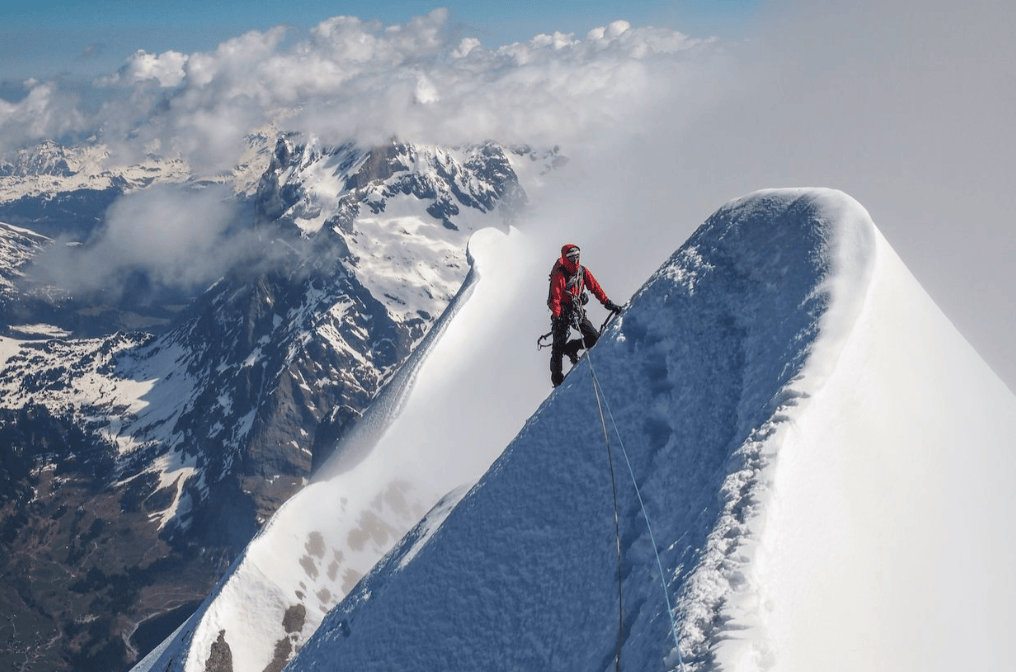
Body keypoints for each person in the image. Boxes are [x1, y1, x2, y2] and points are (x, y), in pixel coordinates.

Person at [547, 244, 621, 386]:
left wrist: (608, 303)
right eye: (571, 257)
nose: (575, 260)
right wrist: (558, 316)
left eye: (577, 257)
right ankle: (557, 379)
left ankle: (571, 347)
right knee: (558, 345)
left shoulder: (582, 272)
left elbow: (595, 287)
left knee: (594, 337)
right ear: (565, 258)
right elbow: (554, 300)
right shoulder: (559, 276)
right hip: (562, 313)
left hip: (576, 310)